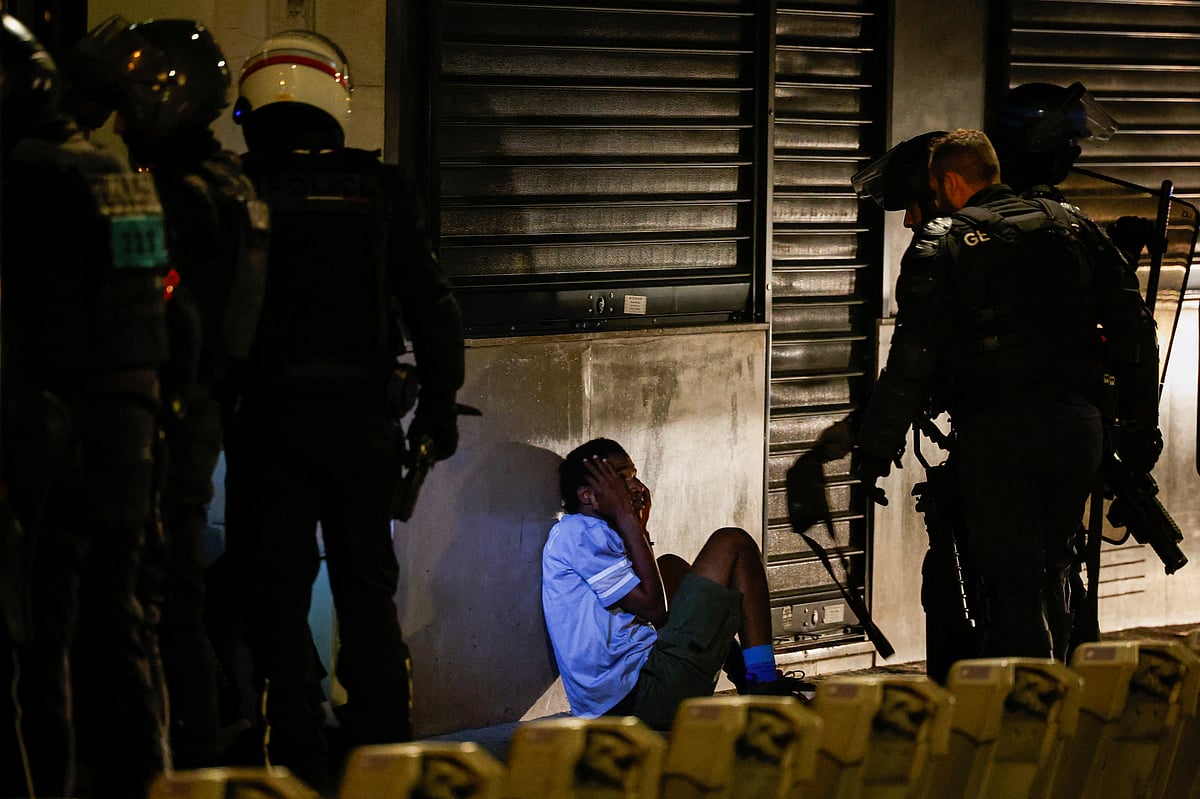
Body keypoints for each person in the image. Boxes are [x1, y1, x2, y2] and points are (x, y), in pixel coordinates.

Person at [222, 29, 465, 785]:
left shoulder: (232, 187)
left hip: (265, 433)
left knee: (275, 601)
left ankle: (294, 757)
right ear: (336, 102)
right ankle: (383, 760)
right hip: (364, 434)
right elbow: (434, 310)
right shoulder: (380, 190)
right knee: (367, 598)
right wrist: (438, 411)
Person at [849, 129, 1160, 665]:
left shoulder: (942, 239)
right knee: (1057, 567)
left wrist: (875, 447)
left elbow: (910, 360)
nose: (912, 217)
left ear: (947, 181)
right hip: (1079, 433)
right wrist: (1139, 429)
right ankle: (1061, 695)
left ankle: (1027, 716)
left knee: (1013, 583)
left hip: (1001, 435)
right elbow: (1136, 333)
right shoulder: (1073, 223)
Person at [61, 16, 270, 768]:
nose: (122, 121)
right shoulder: (229, 183)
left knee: (161, 592)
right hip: (201, 410)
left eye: (131, 103)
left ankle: (185, 754)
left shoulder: (180, 194)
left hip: (171, 416)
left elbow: (164, 314)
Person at [0, 13, 170, 798]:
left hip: (49, 427)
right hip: (125, 426)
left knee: (35, 635)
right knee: (118, 622)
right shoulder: (112, 176)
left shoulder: (27, 174)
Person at [543, 438, 811, 732]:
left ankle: (747, 675)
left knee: (670, 566)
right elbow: (654, 609)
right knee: (733, 543)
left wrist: (639, 528)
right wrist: (628, 519)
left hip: (635, 696)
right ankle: (763, 682)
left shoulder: (593, 532)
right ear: (588, 495)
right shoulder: (580, 533)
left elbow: (648, 601)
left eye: (634, 476)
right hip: (642, 698)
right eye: (621, 479)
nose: (636, 487)